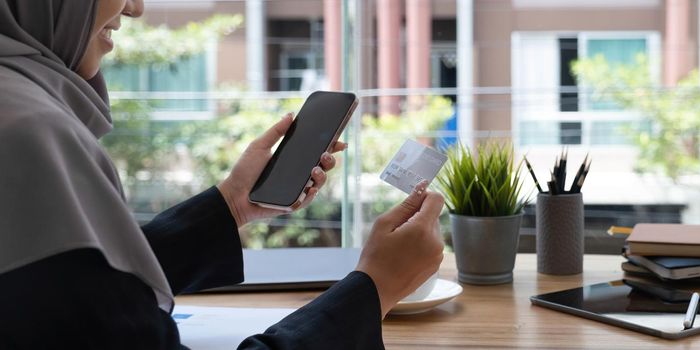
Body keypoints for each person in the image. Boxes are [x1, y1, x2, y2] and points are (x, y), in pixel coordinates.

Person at [0, 1, 444, 349]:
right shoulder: (30, 137)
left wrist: (232, 204)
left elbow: (81, 293)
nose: (134, 7)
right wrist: (374, 289)